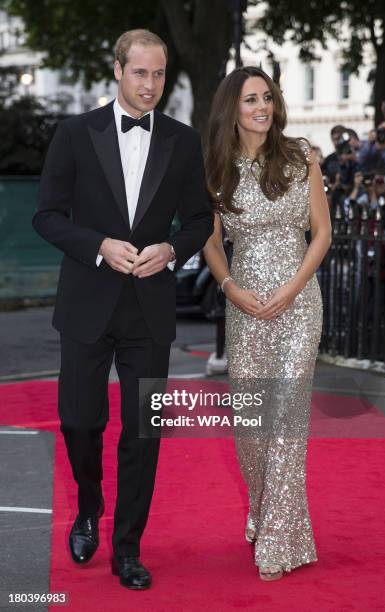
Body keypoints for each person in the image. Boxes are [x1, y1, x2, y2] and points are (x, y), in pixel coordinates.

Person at [33, 29, 213, 590]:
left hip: (150, 310)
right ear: (117, 70)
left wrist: (172, 249)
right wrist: (97, 246)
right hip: (88, 303)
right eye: (140, 73)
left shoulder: (183, 142)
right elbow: (48, 215)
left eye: (159, 75)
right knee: (79, 421)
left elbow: (202, 220)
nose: (150, 85)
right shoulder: (74, 134)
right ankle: (90, 506)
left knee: (144, 432)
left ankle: (128, 549)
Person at [203, 66, 331, 581]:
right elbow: (211, 243)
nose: (262, 107)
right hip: (245, 306)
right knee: (252, 427)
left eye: (268, 98)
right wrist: (232, 287)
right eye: (251, 99)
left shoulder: (301, 158)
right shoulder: (216, 169)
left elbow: (321, 233)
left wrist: (292, 287)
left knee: (284, 422)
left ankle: (281, 538)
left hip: (297, 303)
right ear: (232, 108)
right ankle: (262, 509)